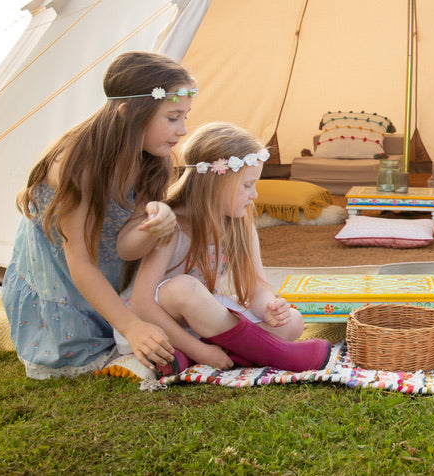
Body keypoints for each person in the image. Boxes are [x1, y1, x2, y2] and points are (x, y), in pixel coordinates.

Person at [2, 51, 197, 379]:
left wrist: (152, 226)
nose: (183, 130)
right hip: (60, 272)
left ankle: (117, 320)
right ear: (129, 113)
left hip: (105, 267)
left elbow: (126, 248)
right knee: (77, 355)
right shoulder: (75, 167)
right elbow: (79, 263)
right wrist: (132, 326)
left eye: (185, 116)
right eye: (173, 117)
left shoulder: (153, 161)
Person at [122, 121, 331, 377]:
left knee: (293, 323)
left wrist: (268, 307)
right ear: (215, 183)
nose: (254, 194)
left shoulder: (240, 222)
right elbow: (142, 305)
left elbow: (256, 284)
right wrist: (200, 350)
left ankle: (186, 355)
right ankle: (276, 353)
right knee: (183, 287)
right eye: (246, 186)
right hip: (160, 320)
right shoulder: (171, 226)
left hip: (206, 321)